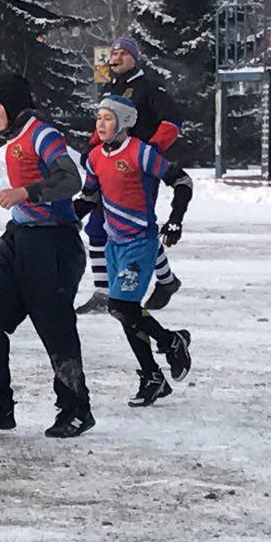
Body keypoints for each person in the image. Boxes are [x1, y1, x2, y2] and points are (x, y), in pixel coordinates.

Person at [0, 73, 94, 438]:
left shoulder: (43, 135)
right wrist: (7, 236)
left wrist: (26, 194)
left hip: (54, 245)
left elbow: (70, 181)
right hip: (22, 241)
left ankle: (76, 410)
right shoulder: (14, 140)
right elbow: (27, 203)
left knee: (56, 328)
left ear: (14, 105)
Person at [79, 94, 193, 407]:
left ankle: (172, 342)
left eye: (108, 118)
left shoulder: (141, 152)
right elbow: (89, 199)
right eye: (99, 117)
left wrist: (175, 220)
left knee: (121, 306)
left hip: (140, 244)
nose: (101, 124)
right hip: (114, 244)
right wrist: (61, 217)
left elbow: (182, 181)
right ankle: (153, 375)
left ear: (125, 121)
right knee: (125, 312)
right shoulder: (95, 158)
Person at [78, 36, 184, 314]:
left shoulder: (148, 87)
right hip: (108, 164)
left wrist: (150, 150)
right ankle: (105, 290)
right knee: (100, 226)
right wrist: (93, 148)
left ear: (135, 58)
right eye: (113, 53)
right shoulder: (111, 87)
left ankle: (163, 280)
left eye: (123, 53)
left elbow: (173, 121)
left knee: (138, 230)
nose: (116, 58)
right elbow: (103, 121)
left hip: (137, 169)